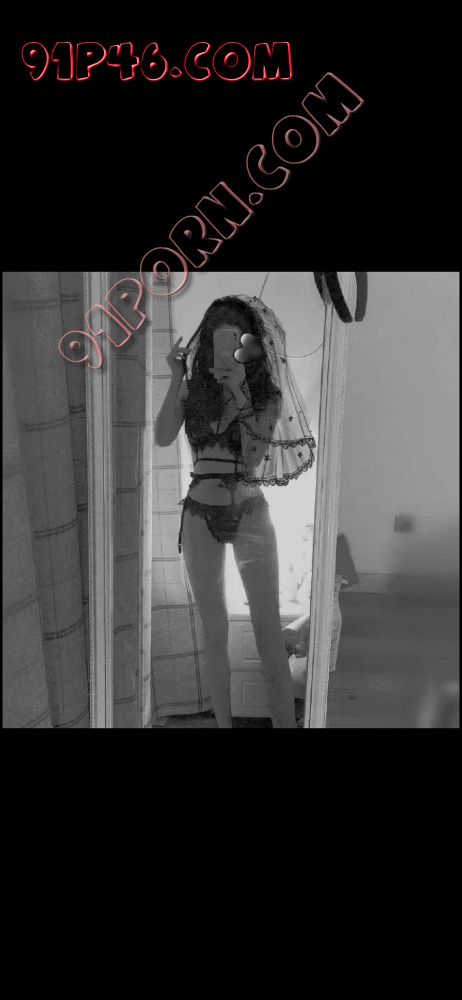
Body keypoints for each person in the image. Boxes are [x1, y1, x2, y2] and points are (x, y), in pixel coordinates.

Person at [154, 295, 316, 729]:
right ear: (207, 345)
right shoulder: (192, 390)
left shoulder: (265, 397)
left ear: (250, 348)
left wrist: (241, 392)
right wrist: (176, 377)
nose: (226, 354)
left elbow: (254, 457)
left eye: (236, 345)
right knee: (214, 633)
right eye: (219, 344)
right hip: (199, 513)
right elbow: (162, 436)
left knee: (268, 633)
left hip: (250, 512)